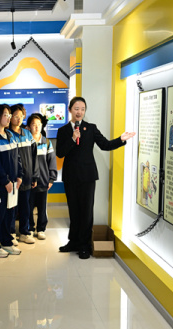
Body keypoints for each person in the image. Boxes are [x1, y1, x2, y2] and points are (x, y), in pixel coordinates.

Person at [56, 96, 135, 259]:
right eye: (76, 109)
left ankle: (84, 245)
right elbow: (60, 153)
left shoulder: (91, 128)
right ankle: (73, 242)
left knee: (86, 211)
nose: (79, 112)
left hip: (87, 176)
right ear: (70, 110)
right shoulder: (63, 131)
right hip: (71, 177)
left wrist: (121, 140)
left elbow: (105, 145)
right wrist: (72, 139)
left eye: (82, 109)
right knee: (73, 210)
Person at [0, 104, 23, 257]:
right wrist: (5, 181)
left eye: (9, 115)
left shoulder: (10, 134)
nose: (9, 118)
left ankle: (6, 241)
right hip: (2, 184)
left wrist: (20, 175)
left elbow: (18, 157)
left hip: (13, 183)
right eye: (5, 115)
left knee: (10, 214)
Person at [9, 104, 38, 245]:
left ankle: (24, 232)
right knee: (11, 207)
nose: (19, 119)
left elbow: (34, 156)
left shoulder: (27, 134)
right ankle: (11, 233)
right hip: (12, 178)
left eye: (21, 116)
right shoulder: (7, 134)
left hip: (27, 177)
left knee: (25, 207)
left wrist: (34, 176)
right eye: (16, 116)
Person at [28, 113, 57, 239]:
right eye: (34, 125)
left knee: (42, 207)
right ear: (29, 127)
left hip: (43, 180)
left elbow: (52, 161)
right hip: (29, 181)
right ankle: (29, 228)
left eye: (39, 125)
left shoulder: (47, 142)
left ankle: (41, 229)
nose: (36, 127)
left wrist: (51, 179)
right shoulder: (26, 142)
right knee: (28, 206)